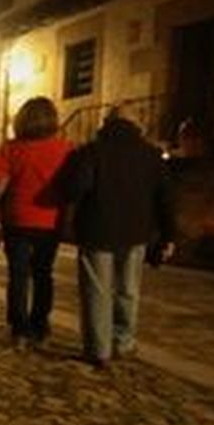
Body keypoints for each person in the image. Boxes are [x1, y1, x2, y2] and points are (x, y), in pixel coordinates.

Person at [65, 115, 176, 370]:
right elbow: (165, 198)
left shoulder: (92, 152)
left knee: (97, 290)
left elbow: (76, 187)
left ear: (105, 126)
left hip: (97, 228)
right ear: (138, 128)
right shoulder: (151, 155)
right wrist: (169, 235)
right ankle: (123, 341)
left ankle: (98, 349)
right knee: (128, 289)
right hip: (136, 231)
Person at [0, 96, 73, 349]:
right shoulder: (66, 149)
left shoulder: (10, 149)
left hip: (17, 219)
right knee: (43, 273)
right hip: (51, 220)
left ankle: (20, 331)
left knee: (18, 275)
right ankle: (40, 326)